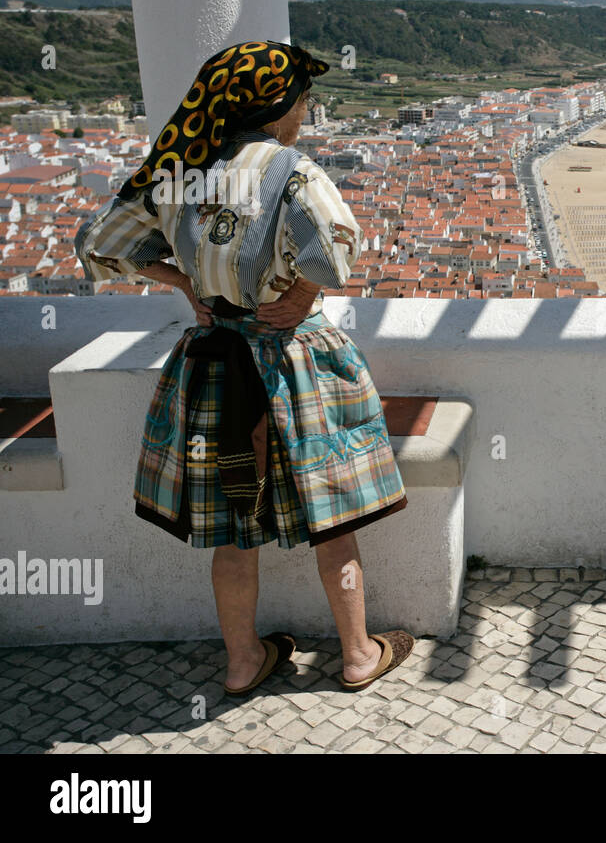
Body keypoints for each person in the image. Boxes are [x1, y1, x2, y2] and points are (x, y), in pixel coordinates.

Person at [74, 40, 413, 695]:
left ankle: (241, 662)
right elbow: (337, 257)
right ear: (279, 104)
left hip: (216, 367)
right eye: (303, 100)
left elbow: (100, 246)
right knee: (332, 522)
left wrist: (184, 284)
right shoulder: (295, 173)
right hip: (296, 368)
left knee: (234, 527)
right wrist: (298, 299)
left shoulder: (179, 171)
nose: (306, 112)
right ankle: (357, 657)